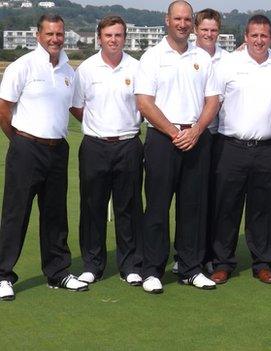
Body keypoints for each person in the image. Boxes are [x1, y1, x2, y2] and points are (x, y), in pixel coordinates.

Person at [0, 14, 88, 301]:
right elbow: (4, 108)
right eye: (50, 34)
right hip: (26, 146)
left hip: (57, 148)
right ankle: (3, 275)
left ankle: (58, 272)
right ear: (38, 35)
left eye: (59, 34)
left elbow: (77, 109)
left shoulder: (68, 71)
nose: (55, 39)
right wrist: (19, 140)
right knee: (16, 213)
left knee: (55, 213)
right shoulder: (22, 66)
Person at [134, 0, 220, 294]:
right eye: (178, 18)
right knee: (157, 206)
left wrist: (195, 130)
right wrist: (174, 132)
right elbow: (144, 102)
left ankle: (190, 268)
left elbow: (213, 100)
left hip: (196, 137)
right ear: (167, 21)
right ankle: (152, 270)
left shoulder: (203, 58)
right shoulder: (152, 56)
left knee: (193, 208)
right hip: (162, 138)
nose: (183, 24)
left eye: (187, 19)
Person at [209, 14, 271, 285]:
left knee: (264, 210)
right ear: (246, 37)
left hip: (267, 149)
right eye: (254, 35)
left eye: (264, 35)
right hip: (231, 147)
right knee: (226, 207)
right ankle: (222, 263)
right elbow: (212, 103)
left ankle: (263, 263)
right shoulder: (227, 64)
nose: (259, 40)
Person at [70, 15, 143, 287]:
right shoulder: (86, 69)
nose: (113, 40)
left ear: (125, 38)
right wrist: (97, 124)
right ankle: (92, 264)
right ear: (99, 38)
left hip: (128, 144)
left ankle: (131, 264)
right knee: (92, 207)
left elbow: (144, 105)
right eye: (108, 35)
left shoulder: (137, 68)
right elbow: (77, 106)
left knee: (130, 207)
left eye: (118, 35)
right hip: (95, 146)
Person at [171, 7, 230, 276]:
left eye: (213, 30)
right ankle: (183, 254)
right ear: (196, 30)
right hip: (192, 135)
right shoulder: (187, 55)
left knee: (211, 200)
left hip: (221, 137)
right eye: (204, 29)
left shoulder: (230, 60)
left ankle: (205, 254)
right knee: (189, 199)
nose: (209, 34)